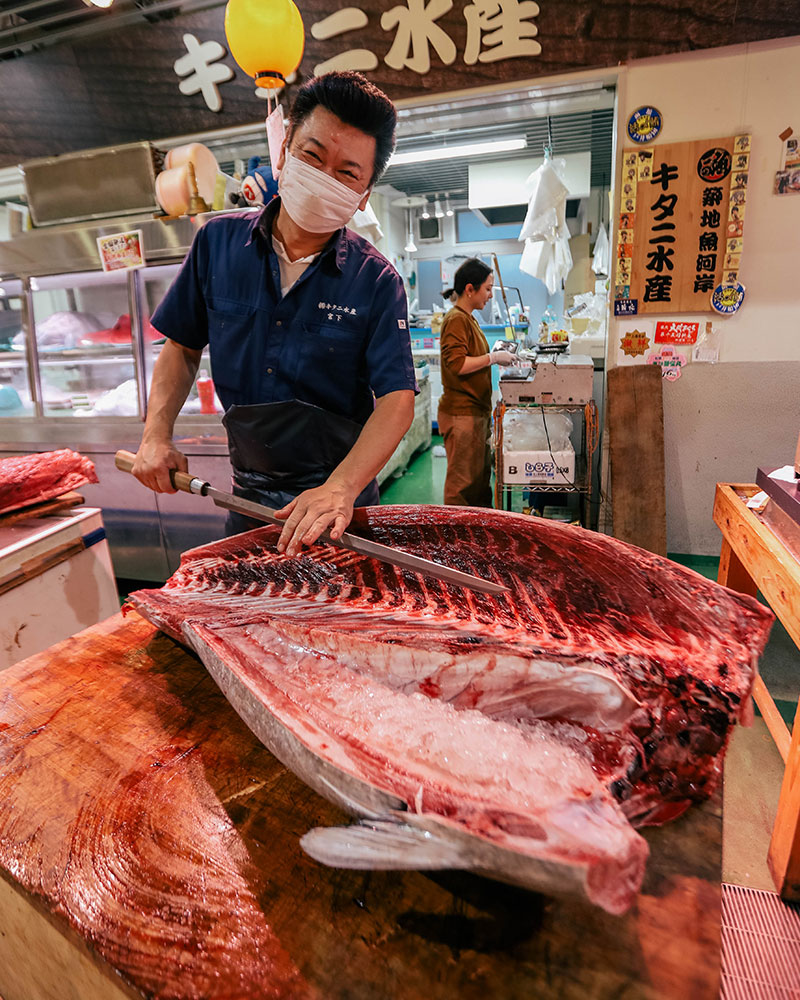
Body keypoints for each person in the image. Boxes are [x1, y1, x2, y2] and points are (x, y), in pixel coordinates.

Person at [131, 71, 417, 556]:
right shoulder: (215, 243)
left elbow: (396, 399)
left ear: (364, 194)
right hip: (247, 497)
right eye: (313, 155)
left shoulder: (376, 281)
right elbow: (181, 346)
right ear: (284, 149)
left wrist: (342, 488)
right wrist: (155, 434)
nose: (325, 178)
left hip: (336, 506)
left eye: (347, 172)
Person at [438, 257, 515, 507]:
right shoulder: (456, 319)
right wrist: (493, 357)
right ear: (470, 289)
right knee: (462, 486)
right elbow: (457, 364)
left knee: (479, 481)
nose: (491, 295)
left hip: (474, 413)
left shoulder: (469, 318)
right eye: (488, 288)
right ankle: (454, 539)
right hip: (462, 415)